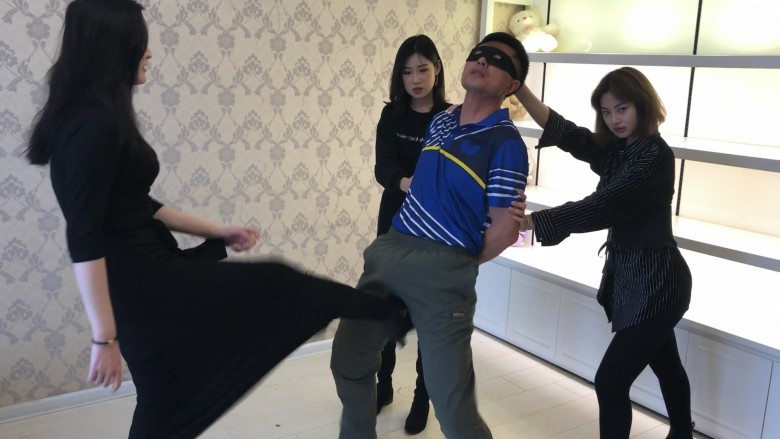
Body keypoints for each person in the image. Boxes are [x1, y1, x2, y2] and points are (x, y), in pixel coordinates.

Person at [24, 1, 405, 437]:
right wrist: (103, 338)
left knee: (164, 400)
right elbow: (84, 236)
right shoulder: (92, 125)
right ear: (113, 48)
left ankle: (389, 314)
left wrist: (218, 232)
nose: (149, 52)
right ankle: (392, 313)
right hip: (143, 287)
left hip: (142, 280)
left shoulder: (94, 117)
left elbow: (138, 204)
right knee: (280, 286)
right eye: (140, 41)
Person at [331, 32, 530, 439]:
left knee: (452, 409)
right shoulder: (440, 120)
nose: (483, 60)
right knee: (348, 362)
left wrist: (456, 261)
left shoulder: (506, 143)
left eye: (497, 60)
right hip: (391, 252)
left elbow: (505, 227)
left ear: (512, 84)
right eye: (479, 54)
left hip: (443, 269)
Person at [510, 67, 694, 439]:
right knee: (667, 365)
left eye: (622, 109)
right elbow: (568, 134)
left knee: (610, 381)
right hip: (634, 279)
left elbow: (603, 206)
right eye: (607, 112)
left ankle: (680, 432)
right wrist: (521, 89)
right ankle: (682, 433)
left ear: (642, 104)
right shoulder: (620, 149)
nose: (614, 120)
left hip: (658, 284)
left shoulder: (654, 157)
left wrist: (528, 223)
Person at [372, 34, 451, 434]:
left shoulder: (452, 118)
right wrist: (406, 183)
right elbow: (382, 168)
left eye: (423, 69)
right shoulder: (392, 116)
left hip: (437, 229)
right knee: (387, 309)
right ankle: (383, 385)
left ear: (437, 69)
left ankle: (422, 398)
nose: (415, 79)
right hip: (395, 224)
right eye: (407, 72)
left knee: (428, 317)